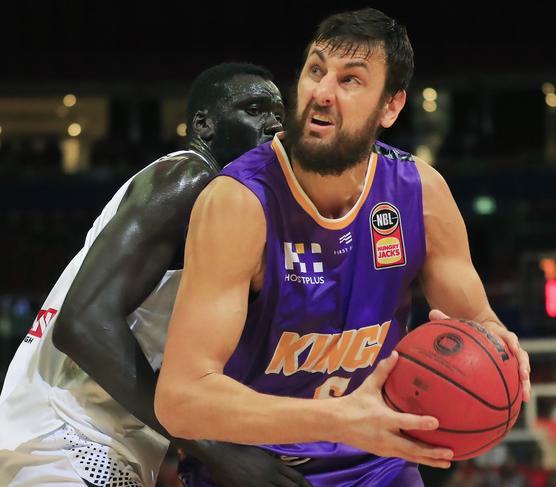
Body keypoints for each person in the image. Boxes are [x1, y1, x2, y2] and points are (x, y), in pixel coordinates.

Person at [155, 8, 531, 487]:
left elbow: (477, 320)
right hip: (256, 470)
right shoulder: (239, 202)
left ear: (391, 108)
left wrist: (500, 344)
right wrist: (339, 419)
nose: (322, 92)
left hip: (379, 464)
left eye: (350, 80)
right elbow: (180, 399)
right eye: (316, 70)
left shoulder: (420, 193)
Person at [0, 63, 311, 487]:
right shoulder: (188, 177)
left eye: (279, 113)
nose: (274, 123)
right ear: (204, 125)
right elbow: (82, 324)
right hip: (68, 442)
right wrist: (213, 449)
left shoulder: (228, 203)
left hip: (88, 446)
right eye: (255, 109)